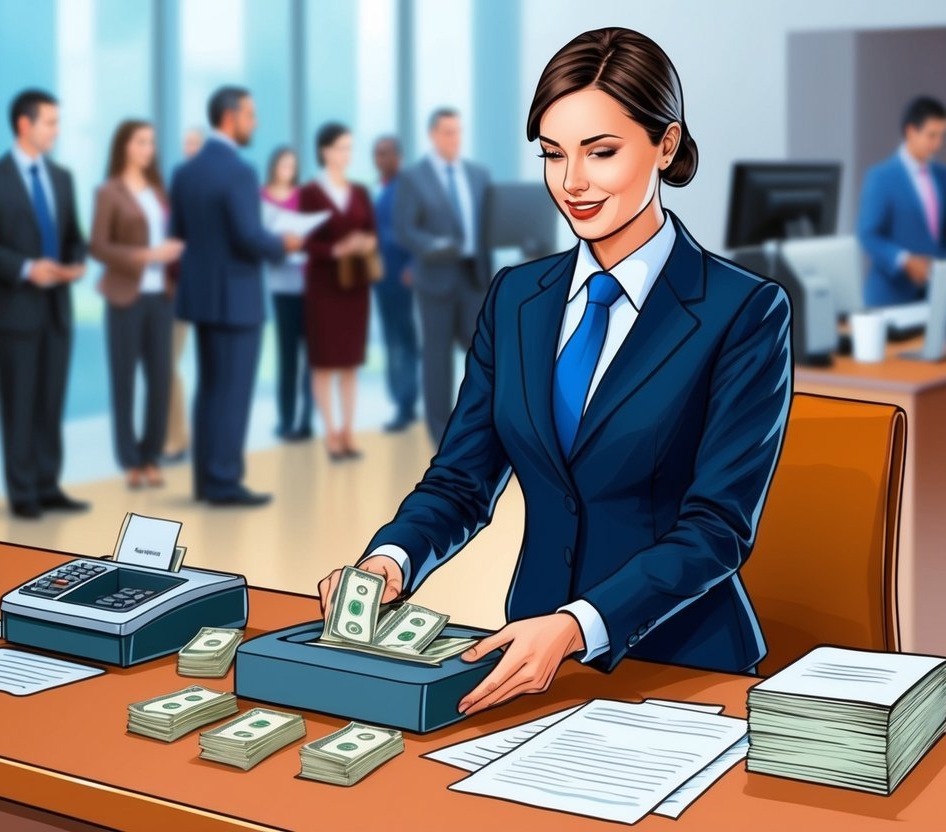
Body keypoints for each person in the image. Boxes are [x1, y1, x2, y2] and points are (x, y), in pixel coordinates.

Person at [318, 27, 792, 716]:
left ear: (664, 144)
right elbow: (461, 479)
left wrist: (577, 626)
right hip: (523, 657)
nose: (571, 183)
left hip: (679, 668)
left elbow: (716, 527)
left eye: (600, 153)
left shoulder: (742, 310)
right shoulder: (516, 299)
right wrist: (389, 561)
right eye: (552, 155)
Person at [0, 89, 88, 519]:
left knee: (50, 402)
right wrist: (26, 268)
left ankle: (48, 484)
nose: (56, 130)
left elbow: (72, 235)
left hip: (56, 307)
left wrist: (75, 264)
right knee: (20, 403)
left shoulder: (62, 178)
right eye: (50, 122)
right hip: (14, 309)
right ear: (24, 125)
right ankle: (24, 493)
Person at [169, 86, 302, 506]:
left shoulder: (185, 171)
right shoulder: (240, 172)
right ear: (230, 117)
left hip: (201, 297)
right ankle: (224, 482)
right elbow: (248, 236)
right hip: (237, 298)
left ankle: (206, 481)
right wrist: (285, 244)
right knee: (233, 391)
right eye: (250, 115)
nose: (255, 123)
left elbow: (179, 232)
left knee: (209, 388)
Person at [91, 119, 184, 490]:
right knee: (124, 381)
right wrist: (146, 255)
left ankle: (151, 456)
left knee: (160, 378)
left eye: (152, 142)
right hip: (125, 297)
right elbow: (98, 245)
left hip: (161, 297)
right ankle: (130, 460)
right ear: (125, 146)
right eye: (142, 142)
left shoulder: (159, 191)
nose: (149, 149)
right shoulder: (109, 192)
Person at [393, 108, 492, 446]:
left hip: (473, 276)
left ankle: (481, 425)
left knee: (482, 353)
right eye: (448, 132)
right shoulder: (413, 178)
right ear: (433, 135)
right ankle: (441, 433)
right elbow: (404, 229)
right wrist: (434, 245)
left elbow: (487, 226)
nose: (455, 139)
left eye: (459, 131)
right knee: (437, 358)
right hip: (436, 278)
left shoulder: (477, 175)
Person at [299, 124, 377, 461]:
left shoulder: (359, 191)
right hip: (323, 286)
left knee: (349, 363)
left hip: (355, 286)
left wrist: (363, 243)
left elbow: (373, 232)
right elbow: (304, 241)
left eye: (349, 148)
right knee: (324, 363)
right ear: (325, 151)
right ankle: (330, 432)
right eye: (341, 148)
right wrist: (336, 250)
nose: (346, 154)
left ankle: (347, 431)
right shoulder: (309, 194)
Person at [858, 95, 946, 307]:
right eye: (932, 135)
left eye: (942, 135)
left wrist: (945, 262)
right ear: (911, 131)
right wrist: (904, 260)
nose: (938, 144)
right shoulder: (881, 177)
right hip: (890, 296)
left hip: (936, 294)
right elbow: (868, 234)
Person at [161, 126, 208, 465]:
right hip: (169, 289)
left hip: (198, 290)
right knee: (166, 362)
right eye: (186, 144)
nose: (189, 150)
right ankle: (176, 438)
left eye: (195, 144)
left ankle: (185, 440)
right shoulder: (176, 187)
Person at [262, 146, 314, 441]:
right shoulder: (261, 197)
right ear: (274, 166)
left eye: (292, 164)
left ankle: (306, 420)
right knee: (287, 356)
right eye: (283, 163)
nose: (288, 169)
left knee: (311, 358)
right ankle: (285, 419)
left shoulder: (304, 197)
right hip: (282, 285)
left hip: (309, 283)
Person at [371, 135, 419, 433]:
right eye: (376, 154)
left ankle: (406, 403)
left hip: (402, 276)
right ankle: (399, 398)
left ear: (398, 157)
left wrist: (414, 264)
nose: (380, 159)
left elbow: (420, 226)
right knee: (391, 340)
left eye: (385, 153)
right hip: (381, 276)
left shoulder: (408, 189)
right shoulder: (380, 189)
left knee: (405, 341)